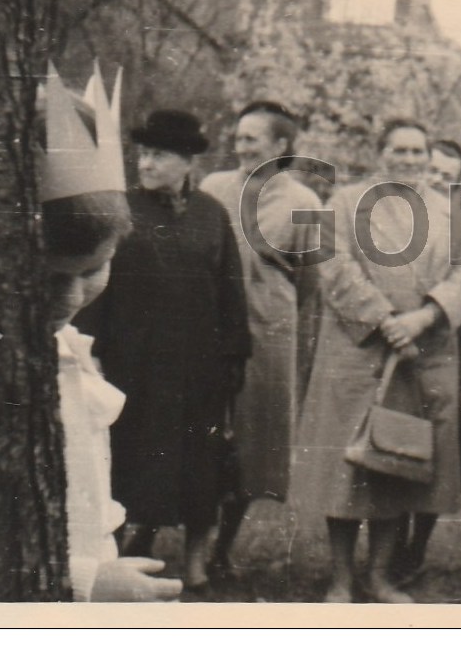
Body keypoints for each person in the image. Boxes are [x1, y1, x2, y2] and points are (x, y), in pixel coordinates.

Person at [295, 118, 461, 603]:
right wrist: (382, 318)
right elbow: (333, 265)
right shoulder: (346, 203)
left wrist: (423, 318)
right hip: (357, 352)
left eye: (417, 151)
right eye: (399, 150)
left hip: (422, 350)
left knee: (399, 461)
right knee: (346, 466)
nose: (409, 160)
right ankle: (339, 578)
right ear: (380, 154)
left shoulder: (448, 212)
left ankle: (378, 576)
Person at [81, 108, 251, 595]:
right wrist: (91, 346)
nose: (147, 163)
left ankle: (196, 563)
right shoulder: (121, 210)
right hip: (133, 362)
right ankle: (117, 556)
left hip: (199, 367)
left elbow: (230, 291)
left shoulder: (211, 215)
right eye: (143, 153)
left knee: (201, 463)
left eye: (158, 155)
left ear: (185, 161)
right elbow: (96, 283)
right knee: (125, 459)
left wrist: (233, 358)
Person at [39, 66, 182, 602]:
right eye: (51, 277)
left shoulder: (72, 352)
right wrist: (87, 584)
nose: (71, 300)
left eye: (92, 270)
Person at [200, 101, 322, 577]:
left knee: (253, 438)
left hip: (267, 332)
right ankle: (154, 530)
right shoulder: (211, 190)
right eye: (238, 136)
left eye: (251, 137)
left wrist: (270, 305)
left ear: (280, 145)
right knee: (197, 427)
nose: (240, 145)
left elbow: (311, 282)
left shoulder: (305, 203)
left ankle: (222, 546)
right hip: (207, 328)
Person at [391, 138, 461, 587]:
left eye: (446, 175)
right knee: (394, 445)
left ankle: (415, 548)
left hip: (440, 353)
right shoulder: (396, 220)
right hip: (397, 352)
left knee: (438, 457)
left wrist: (441, 328)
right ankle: (390, 547)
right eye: (431, 169)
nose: (435, 179)